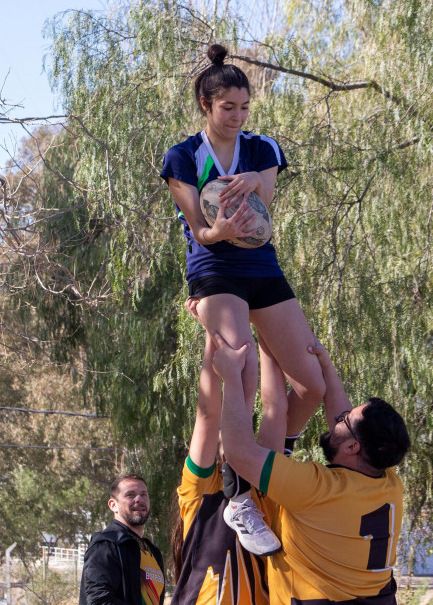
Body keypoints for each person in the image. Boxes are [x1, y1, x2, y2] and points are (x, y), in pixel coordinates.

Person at [160, 43, 325, 555]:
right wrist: (218, 229)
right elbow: (200, 232)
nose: (237, 116)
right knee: (242, 364)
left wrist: (254, 181)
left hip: (259, 264)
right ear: (206, 107)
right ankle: (238, 497)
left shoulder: (264, 149)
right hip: (213, 267)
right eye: (227, 107)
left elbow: (262, 213)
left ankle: (270, 467)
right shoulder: (182, 158)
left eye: (244, 107)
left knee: (313, 382)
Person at [210, 332, 411, 605]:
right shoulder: (387, 480)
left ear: (353, 447)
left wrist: (231, 377)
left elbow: (240, 453)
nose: (338, 418)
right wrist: (326, 368)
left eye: (345, 420)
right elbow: (346, 422)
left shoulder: (316, 489)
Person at [170, 333, 291, 605]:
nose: (238, 444)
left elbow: (275, 409)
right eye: (229, 439)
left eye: (244, 439)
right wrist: (212, 332)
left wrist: (268, 328)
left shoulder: (263, 489)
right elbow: (207, 413)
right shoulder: (199, 491)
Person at [80, 474, 165, 605]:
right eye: (130, 495)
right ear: (113, 505)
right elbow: (99, 601)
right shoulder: (106, 544)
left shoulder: (153, 551)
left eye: (144, 494)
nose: (139, 499)